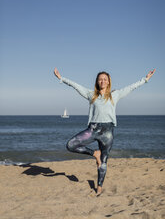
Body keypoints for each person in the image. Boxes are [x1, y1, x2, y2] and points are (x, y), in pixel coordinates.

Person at [54, 67, 156, 196]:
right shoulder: (91, 94)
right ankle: (94, 154)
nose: (102, 81)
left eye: (105, 79)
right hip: (92, 129)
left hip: (107, 132)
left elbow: (131, 87)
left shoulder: (115, 95)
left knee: (104, 161)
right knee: (71, 145)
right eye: (100, 79)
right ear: (97, 82)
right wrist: (61, 78)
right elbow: (76, 86)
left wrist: (145, 79)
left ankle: (99, 187)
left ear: (108, 82)